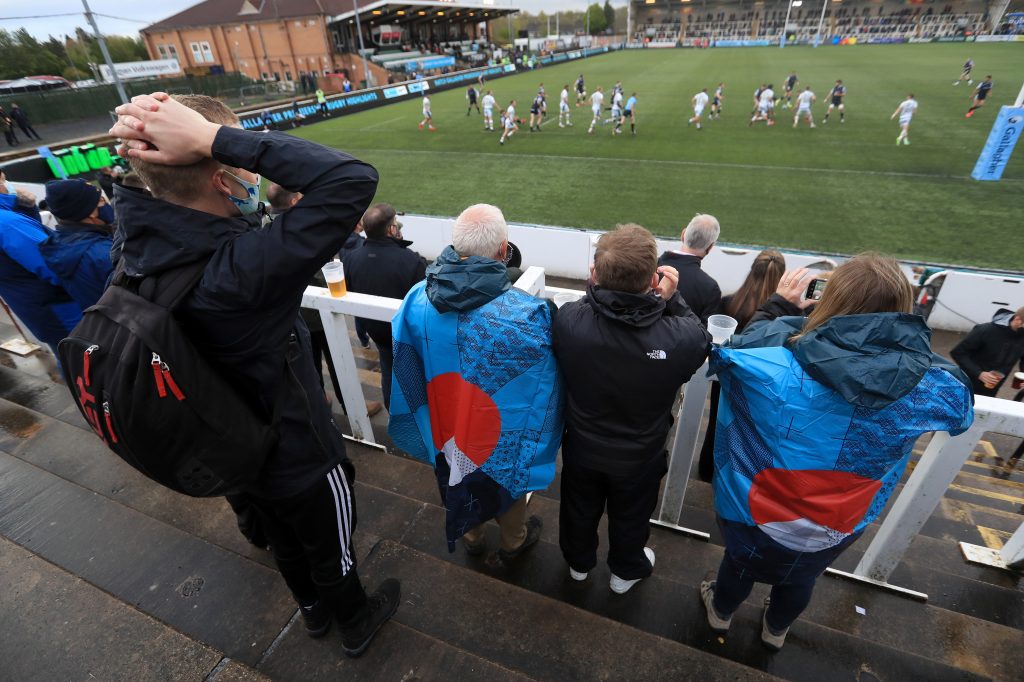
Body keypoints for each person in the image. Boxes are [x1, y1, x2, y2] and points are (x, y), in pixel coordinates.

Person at [110, 92, 399, 657]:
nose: (254, 174)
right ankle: (355, 620)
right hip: (297, 451)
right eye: (242, 165)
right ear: (222, 180)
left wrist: (197, 147)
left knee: (283, 539)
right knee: (330, 545)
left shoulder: (133, 241)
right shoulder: (242, 270)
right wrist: (215, 139)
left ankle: (312, 612)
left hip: (230, 447)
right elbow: (352, 179)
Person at [701, 255, 974, 651]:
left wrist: (779, 310)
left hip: (753, 511)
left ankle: (720, 612)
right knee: (800, 577)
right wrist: (909, 351)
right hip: (837, 521)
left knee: (739, 566)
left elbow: (728, 353)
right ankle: (775, 631)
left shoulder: (774, 359)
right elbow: (959, 406)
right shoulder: (927, 384)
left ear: (833, 301)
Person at [387, 204, 563, 561]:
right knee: (505, 484)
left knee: (454, 476)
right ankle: (513, 542)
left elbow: (405, 364)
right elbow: (546, 386)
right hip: (498, 432)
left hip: (444, 428)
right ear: (503, 251)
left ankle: (471, 536)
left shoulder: (416, 298)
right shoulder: (527, 315)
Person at [555, 224, 710, 593]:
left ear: (594, 275)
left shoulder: (570, 321)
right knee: (631, 516)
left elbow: (588, 307)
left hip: (583, 447)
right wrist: (671, 298)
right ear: (653, 278)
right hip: (641, 453)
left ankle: (578, 565)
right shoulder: (679, 336)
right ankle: (624, 573)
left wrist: (598, 287)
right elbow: (701, 338)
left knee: (578, 508)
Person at [265, 182, 382, 417]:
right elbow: (318, 273)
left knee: (308, 361)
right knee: (337, 359)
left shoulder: (264, 225)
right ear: (294, 202)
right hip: (315, 311)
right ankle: (352, 408)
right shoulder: (300, 228)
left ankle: (320, 400)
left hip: (289, 312)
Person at [697, 250, 787, 482]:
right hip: (762, 384)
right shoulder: (784, 316)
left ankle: (707, 470)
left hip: (727, 378)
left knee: (717, 423)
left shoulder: (729, 303)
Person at [342, 203, 426, 410]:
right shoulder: (411, 260)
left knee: (388, 370)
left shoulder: (351, 259)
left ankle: (393, 413)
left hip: (376, 332)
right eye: (395, 223)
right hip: (407, 334)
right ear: (391, 230)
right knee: (417, 374)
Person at [0, 173, 81, 357]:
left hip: (34, 306)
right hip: (60, 308)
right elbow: (53, 263)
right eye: (4, 179)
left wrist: (25, 208)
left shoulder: (9, 219)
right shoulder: (8, 224)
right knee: (86, 361)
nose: (8, 184)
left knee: (70, 360)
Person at [37, 179, 115, 311]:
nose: (106, 204)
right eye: (101, 201)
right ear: (91, 212)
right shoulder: (103, 252)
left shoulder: (56, 244)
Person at [656, 214, 722, 326]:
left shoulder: (648, 267)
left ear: (683, 234)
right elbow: (706, 336)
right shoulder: (710, 288)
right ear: (710, 247)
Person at [951, 306, 1024, 397]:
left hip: (992, 389)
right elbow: (958, 353)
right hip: (965, 383)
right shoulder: (986, 330)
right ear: (1018, 320)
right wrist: (979, 373)